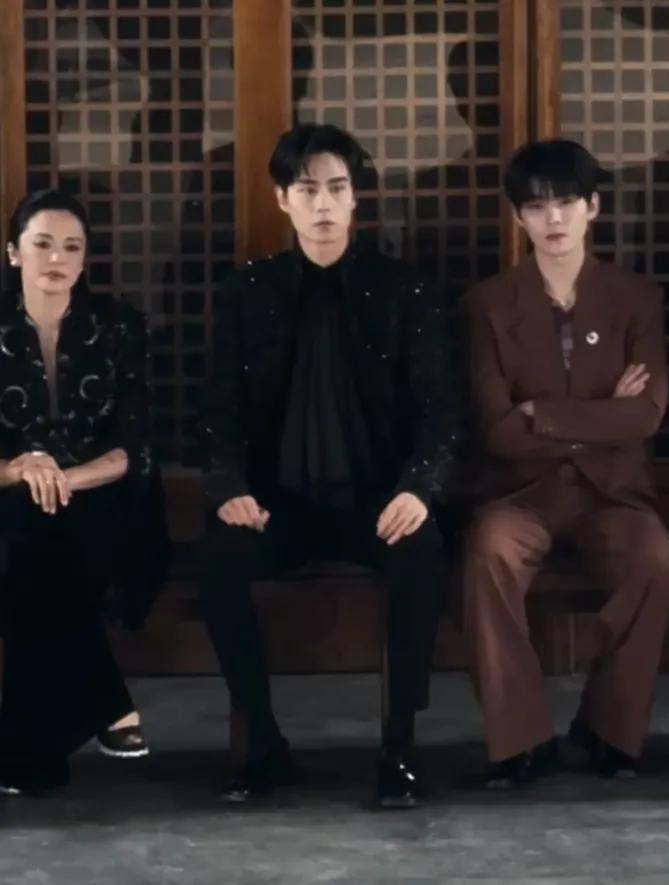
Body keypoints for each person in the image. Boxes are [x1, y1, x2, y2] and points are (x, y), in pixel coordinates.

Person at [198, 123, 456, 808]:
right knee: (218, 561)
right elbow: (218, 410)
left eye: (337, 189)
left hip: (376, 500)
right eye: (307, 189)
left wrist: (419, 488)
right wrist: (228, 488)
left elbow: (440, 409)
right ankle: (262, 744)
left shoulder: (402, 289)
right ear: (282, 199)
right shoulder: (249, 292)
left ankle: (398, 748)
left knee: (420, 551)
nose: (323, 205)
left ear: (355, 198)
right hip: (277, 503)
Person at [459, 138, 669, 788]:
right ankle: (520, 739)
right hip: (519, 493)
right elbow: (497, 430)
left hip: (610, 493)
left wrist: (542, 412)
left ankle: (607, 728)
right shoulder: (486, 305)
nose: (553, 218)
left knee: (661, 564)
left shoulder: (634, 298)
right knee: (487, 556)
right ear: (518, 218)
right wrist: (598, 415)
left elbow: (644, 414)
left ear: (593, 207)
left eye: (566, 202)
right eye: (536, 207)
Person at [0, 190, 164, 795]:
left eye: (71, 247)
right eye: (42, 244)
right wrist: (19, 470)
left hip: (107, 503)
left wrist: (65, 478)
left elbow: (133, 448)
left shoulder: (118, 327)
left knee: (45, 535)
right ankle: (107, 703)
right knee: (32, 530)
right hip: (11, 505)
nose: (57, 259)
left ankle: (28, 757)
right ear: (13, 253)